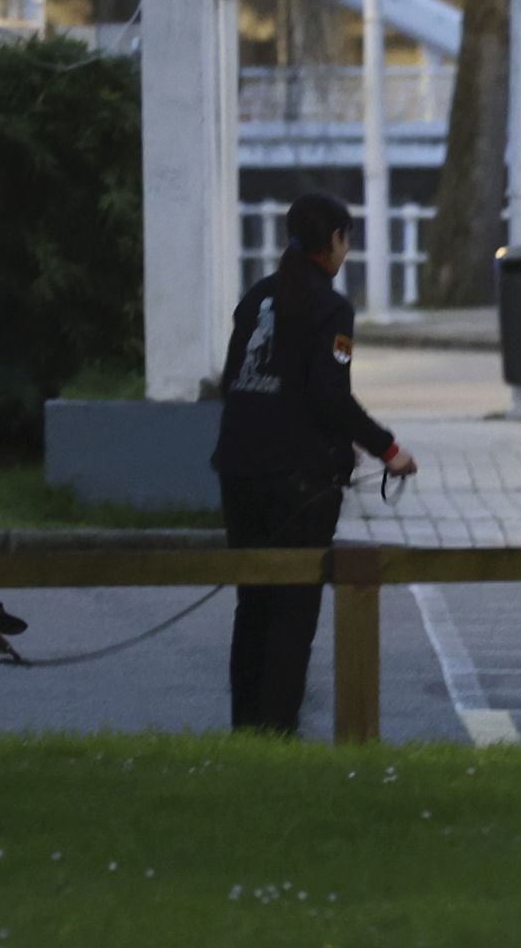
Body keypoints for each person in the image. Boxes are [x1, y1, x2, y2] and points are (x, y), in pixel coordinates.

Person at [211, 193, 417, 735]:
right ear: (335, 243)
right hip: (298, 484)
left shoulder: (256, 298)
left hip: (239, 471)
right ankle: (278, 730)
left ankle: (246, 729)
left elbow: (234, 382)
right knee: (293, 612)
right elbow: (330, 395)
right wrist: (388, 450)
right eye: (346, 240)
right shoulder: (331, 309)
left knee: (252, 606)